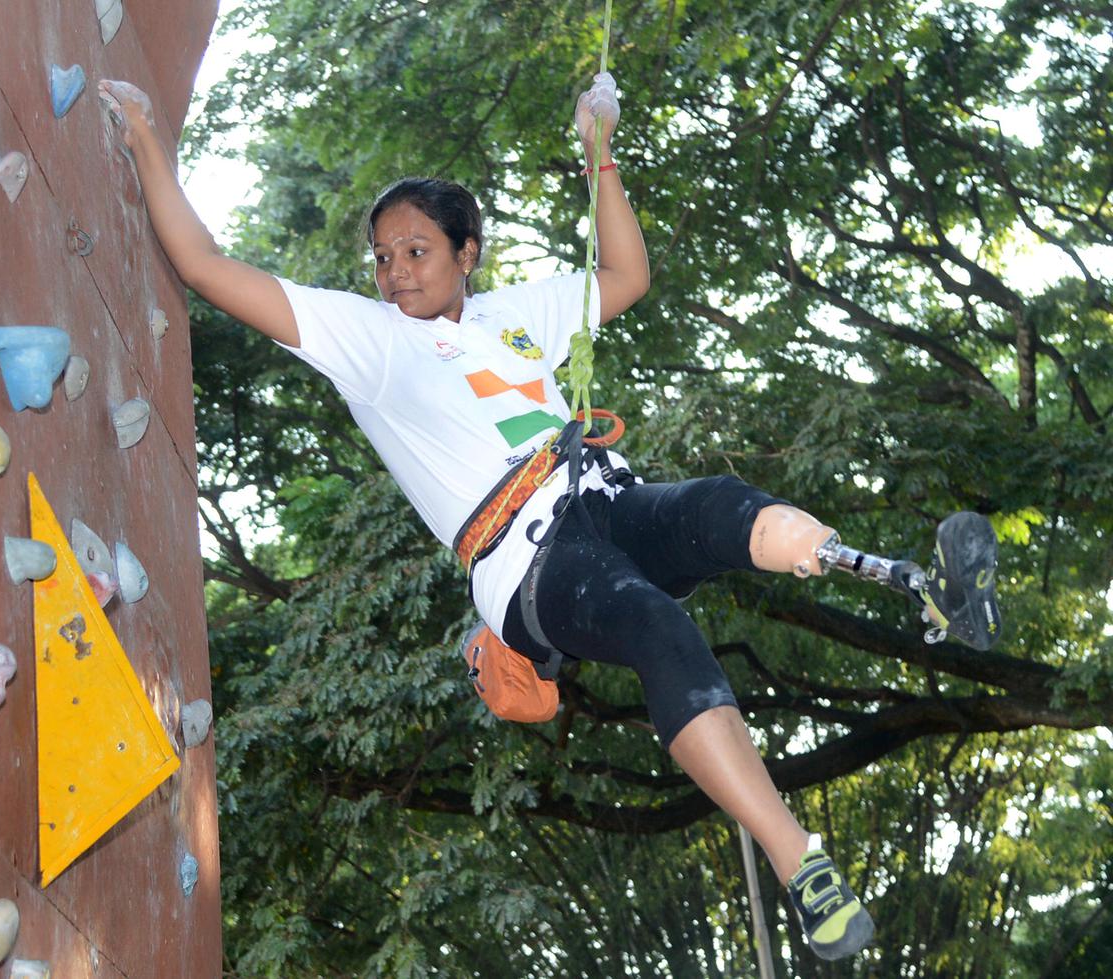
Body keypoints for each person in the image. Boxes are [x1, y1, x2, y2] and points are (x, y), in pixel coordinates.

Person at [99, 72, 1000, 963]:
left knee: (719, 505)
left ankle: (905, 579)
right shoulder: (367, 342)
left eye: (415, 250)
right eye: (381, 256)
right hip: (524, 562)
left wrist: (600, 152)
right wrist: (146, 141)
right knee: (656, 622)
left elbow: (627, 274)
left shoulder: (512, 314)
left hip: (603, 497)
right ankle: (802, 864)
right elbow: (208, 268)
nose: (393, 271)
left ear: (467, 252)